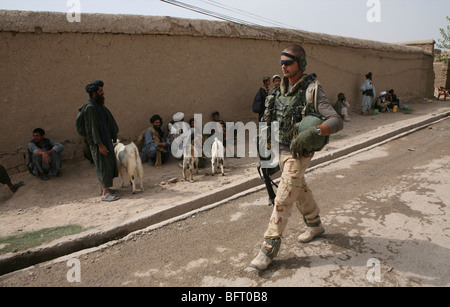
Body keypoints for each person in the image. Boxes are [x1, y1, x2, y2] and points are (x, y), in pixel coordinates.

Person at [250, 44, 343, 270]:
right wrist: (264, 149)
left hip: (299, 152)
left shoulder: (312, 90)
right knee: (298, 187)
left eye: (288, 62)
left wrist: (315, 131)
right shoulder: (276, 91)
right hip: (278, 150)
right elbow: (267, 121)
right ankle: (314, 224)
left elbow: (336, 120)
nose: (283, 66)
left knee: (283, 197)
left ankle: (268, 247)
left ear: (301, 64)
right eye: (281, 62)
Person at [83, 80, 120, 202]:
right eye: (100, 91)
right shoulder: (90, 108)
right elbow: (93, 129)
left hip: (104, 140)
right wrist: (99, 145)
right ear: (94, 93)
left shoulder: (97, 106)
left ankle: (105, 188)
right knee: (102, 165)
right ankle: (105, 193)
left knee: (107, 165)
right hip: (98, 143)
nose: (103, 92)